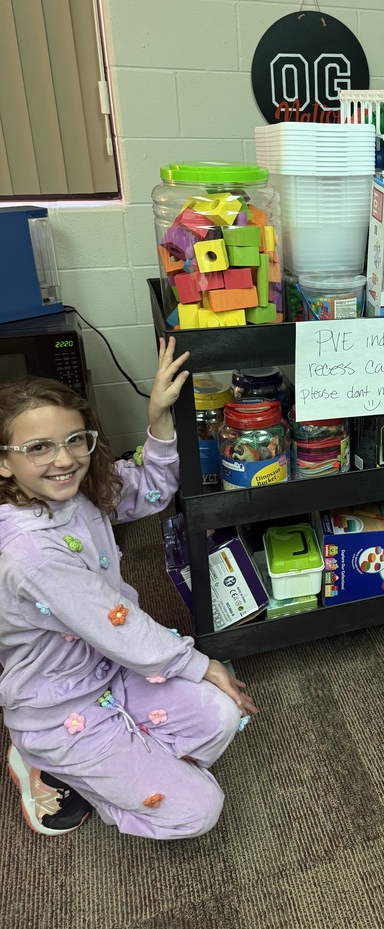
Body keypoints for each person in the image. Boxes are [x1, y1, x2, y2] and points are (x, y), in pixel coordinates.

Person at [0, 338, 257, 838]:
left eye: (75, 439)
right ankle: (45, 762)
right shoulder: (31, 553)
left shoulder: (76, 493)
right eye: (38, 447)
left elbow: (150, 487)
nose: (64, 459)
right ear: (4, 462)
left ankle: (123, 756)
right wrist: (201, 662)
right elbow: (121, 626)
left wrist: (158, 414)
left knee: (221, 715)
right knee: (198, 810)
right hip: (60, 708)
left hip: (113, 671)